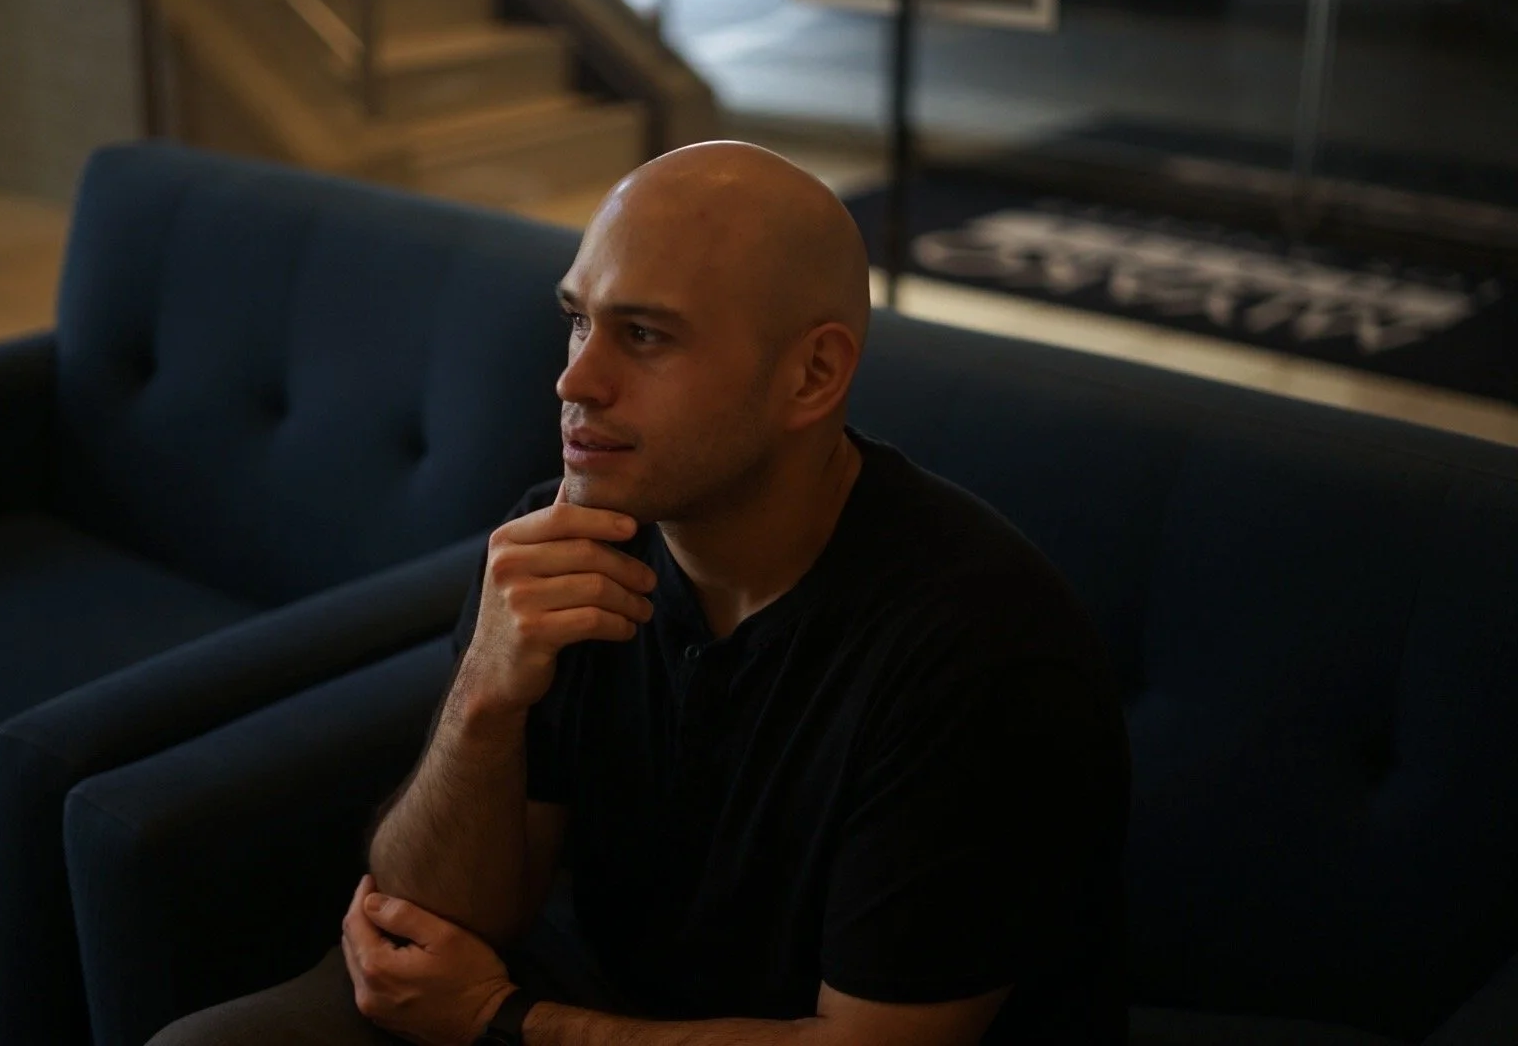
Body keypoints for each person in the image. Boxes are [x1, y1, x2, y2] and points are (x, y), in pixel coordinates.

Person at [151, 141, 1130, 1046]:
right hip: (589, 992)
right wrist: (487, 698)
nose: (575, 381)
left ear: (812, 374)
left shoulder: (978, 660)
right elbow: (432, 919)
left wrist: (508, 1021)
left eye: (645, 336)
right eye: (577, 320)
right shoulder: (574, 537)